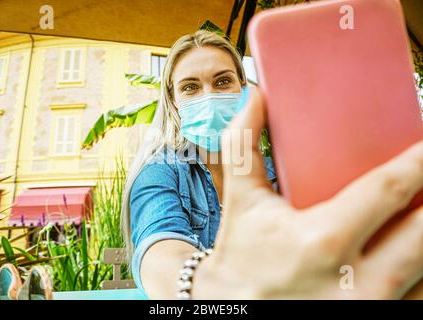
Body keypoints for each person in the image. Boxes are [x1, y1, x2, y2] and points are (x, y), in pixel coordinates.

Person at [121, 30, 423, 299]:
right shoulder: (159, 172)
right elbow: (159, 252)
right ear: (173, 101)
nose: (208, 95)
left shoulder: (281, 170)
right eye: (190, 87)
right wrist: (210, 289)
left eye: (222, 81)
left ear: (243, 88)